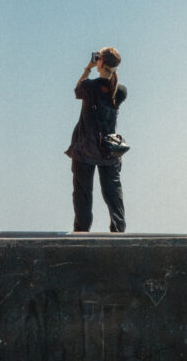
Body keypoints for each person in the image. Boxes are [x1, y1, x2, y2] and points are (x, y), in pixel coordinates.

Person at [65, 46, 127, 233]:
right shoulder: (120, 91)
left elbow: (77, 90)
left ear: (101, 62)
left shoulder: (89, 87)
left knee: (83, 193)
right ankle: (118, 229)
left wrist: (88, 68)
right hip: (110, 150)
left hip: (85, 148)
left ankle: (82, 231)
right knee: (113, 192)